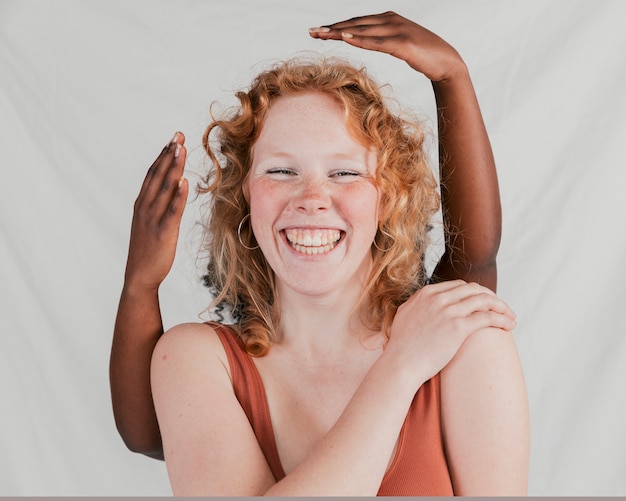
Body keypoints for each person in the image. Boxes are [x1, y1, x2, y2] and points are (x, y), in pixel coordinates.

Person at [110, 11, 529, 495]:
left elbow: (474, 260)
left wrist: (453, 76)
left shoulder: (466, 346)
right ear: (243, 197)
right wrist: (401, 367)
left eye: (345, 173)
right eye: (281, 172)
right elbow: (141, 432)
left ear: (387, 197)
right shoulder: (192, 360)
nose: (312, 197)